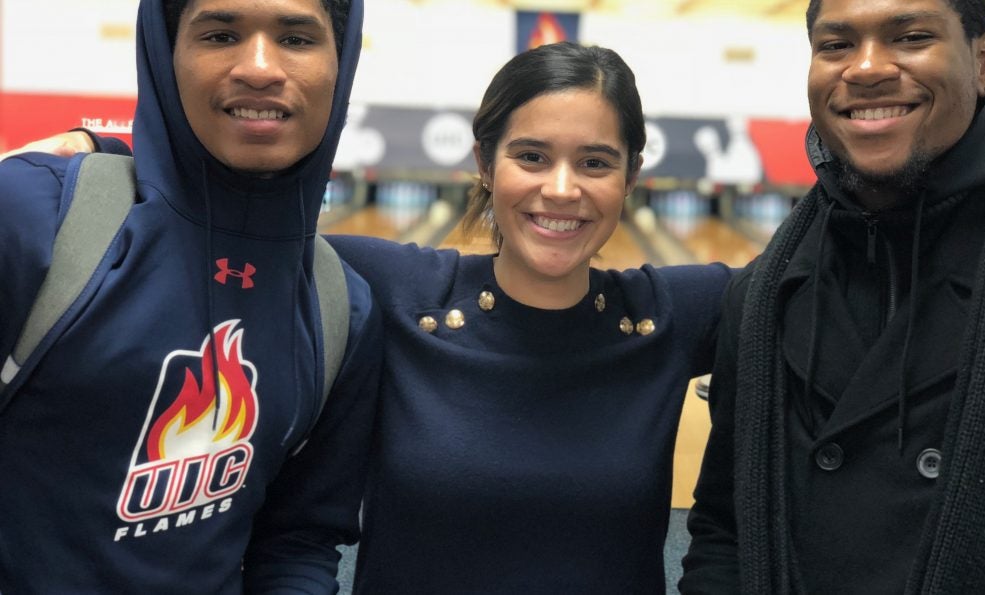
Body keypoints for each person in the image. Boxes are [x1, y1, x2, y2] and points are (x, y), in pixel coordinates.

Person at [24, 41, 732, 592]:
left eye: (597, 163)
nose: (561, 188)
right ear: (485, 162)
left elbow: (825, 261)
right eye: (531, 155)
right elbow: (233, 221)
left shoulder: (668, 316)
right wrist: (108, 150)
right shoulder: (400, 289)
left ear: (634, 177)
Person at [681, 0, 985, 592]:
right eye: (836, 45)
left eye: (912, 36)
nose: (867, 67)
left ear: (983, 60)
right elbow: (725, 529)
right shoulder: (764, 293)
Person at [0, 0, 382, 592]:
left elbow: (297, 541)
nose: (259, 66)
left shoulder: (343, 309)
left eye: (297, 39)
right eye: (221, 33)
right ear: (165, 53)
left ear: (342, 60)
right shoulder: (32, 215)